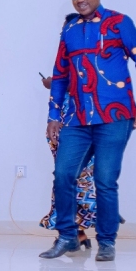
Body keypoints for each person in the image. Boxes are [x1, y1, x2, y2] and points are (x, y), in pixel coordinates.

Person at [41, 0, 136, 262]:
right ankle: (67, 236)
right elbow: (61, 74)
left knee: (105, 180)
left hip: (115, 116)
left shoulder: (119, 23)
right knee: (64, 174)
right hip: (77, 118)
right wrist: (54, 115)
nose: (80, 0)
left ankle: (106, 242)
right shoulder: (70, 29)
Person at [38, 74, 96, 250]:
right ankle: (77, 233)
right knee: (68, 178)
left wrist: (54, 84)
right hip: (66, 122)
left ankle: (74, 232)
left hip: (79, 124)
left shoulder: (90, 59)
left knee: (73, 178)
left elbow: (86, 85)